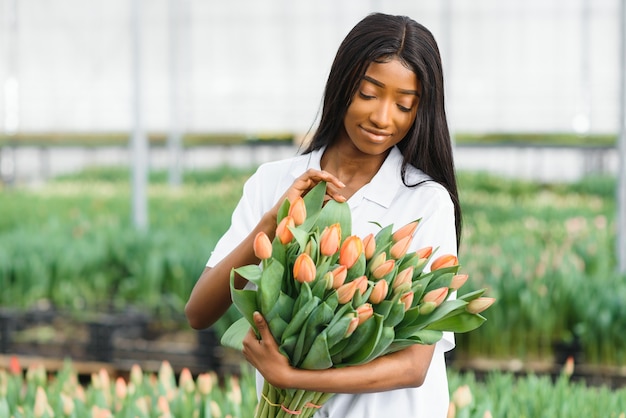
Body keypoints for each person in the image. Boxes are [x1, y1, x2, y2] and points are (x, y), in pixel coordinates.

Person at [185, 12, 461, 418]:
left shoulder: (425, 203)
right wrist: (274, 222)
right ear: (343, 84)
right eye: (369, 94)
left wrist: (294, 378)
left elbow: (414, 366)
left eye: (404, 105)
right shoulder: (274, 181)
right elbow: (199, 312)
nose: (383, 118)